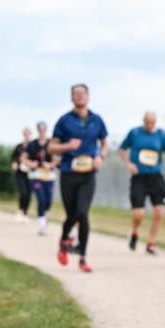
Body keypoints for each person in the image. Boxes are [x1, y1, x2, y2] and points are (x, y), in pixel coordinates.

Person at [50, 83, 108, 272]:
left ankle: (82, 257)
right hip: (68, 173)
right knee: (71, 214)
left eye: (83, 93)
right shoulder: (64, 121)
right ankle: (63, 241)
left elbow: (105, 144)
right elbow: (51, 147)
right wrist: (67, 147)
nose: (80, 96)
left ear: (88, 97)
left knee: (83, 213)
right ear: (71, 98)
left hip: (88, 174)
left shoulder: (97, 120)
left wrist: (100, 156)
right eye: (76, 94)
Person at [118, 111, 165, 254]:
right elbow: (122, 149)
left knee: (159, 212)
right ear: (143, 121)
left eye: (152, 122)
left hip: (156, 177)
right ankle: (135, 232)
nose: (150, 125)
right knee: (139, 214)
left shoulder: (161, 134)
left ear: (155, 122)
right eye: (147, 122)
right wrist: (128, 163)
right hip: (139, 177)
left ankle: (151, 243)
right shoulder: (135, 133)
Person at [22, 121, 58, 235]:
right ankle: (41, 225)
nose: (42, 132)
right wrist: (30, 163)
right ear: (38, 130)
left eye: (44, 129)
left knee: (48, 202)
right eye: (40, 129)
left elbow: (57, 159)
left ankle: (44, 217)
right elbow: (23, 158)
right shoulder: (32, 144)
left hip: (48, 176)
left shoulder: (51, 143)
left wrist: (51, 164)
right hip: (36, 175)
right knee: (41, 200)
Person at [11, 127, 33, 222]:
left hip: (30, 173)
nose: (27, 135)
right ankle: (20, 210)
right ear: (23, 134)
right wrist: (14, 163)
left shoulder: (33, 146)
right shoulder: (19, 146)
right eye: (25, 133)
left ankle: (25, 212)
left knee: (28, 193)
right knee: (23, 192)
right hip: (20, 173)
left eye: (28, 133)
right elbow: (13, 158)